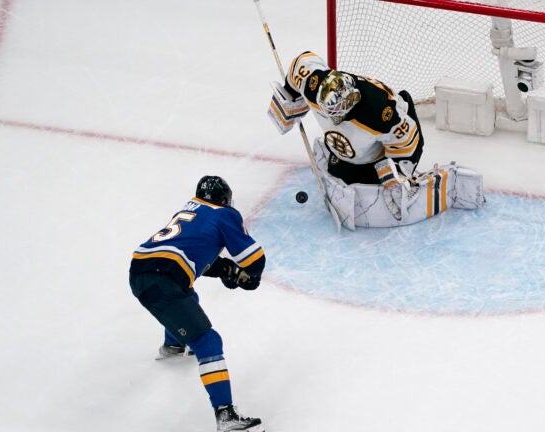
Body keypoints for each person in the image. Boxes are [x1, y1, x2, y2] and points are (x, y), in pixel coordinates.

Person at [129, 175, 265, 432]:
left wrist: (224, 268)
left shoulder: (189, 209)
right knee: (208, 342)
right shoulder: (225, 214)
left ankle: (174, 344)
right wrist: (248, 275)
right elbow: (254, 259)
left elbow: (187, 253)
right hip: (162, 279)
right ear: (225, 200)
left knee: (186, 296)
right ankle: (226, 416)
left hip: (141, 270)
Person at [268, 51, 425, 220]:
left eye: (336, 113)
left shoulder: (377, 111)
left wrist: (398, 174)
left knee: (374, 191)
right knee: (341, 176)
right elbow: (301, 62)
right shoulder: (313, 84)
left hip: (390, 140)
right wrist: (290, 95)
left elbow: (408, 140)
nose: (332, 118)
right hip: (351, 150)